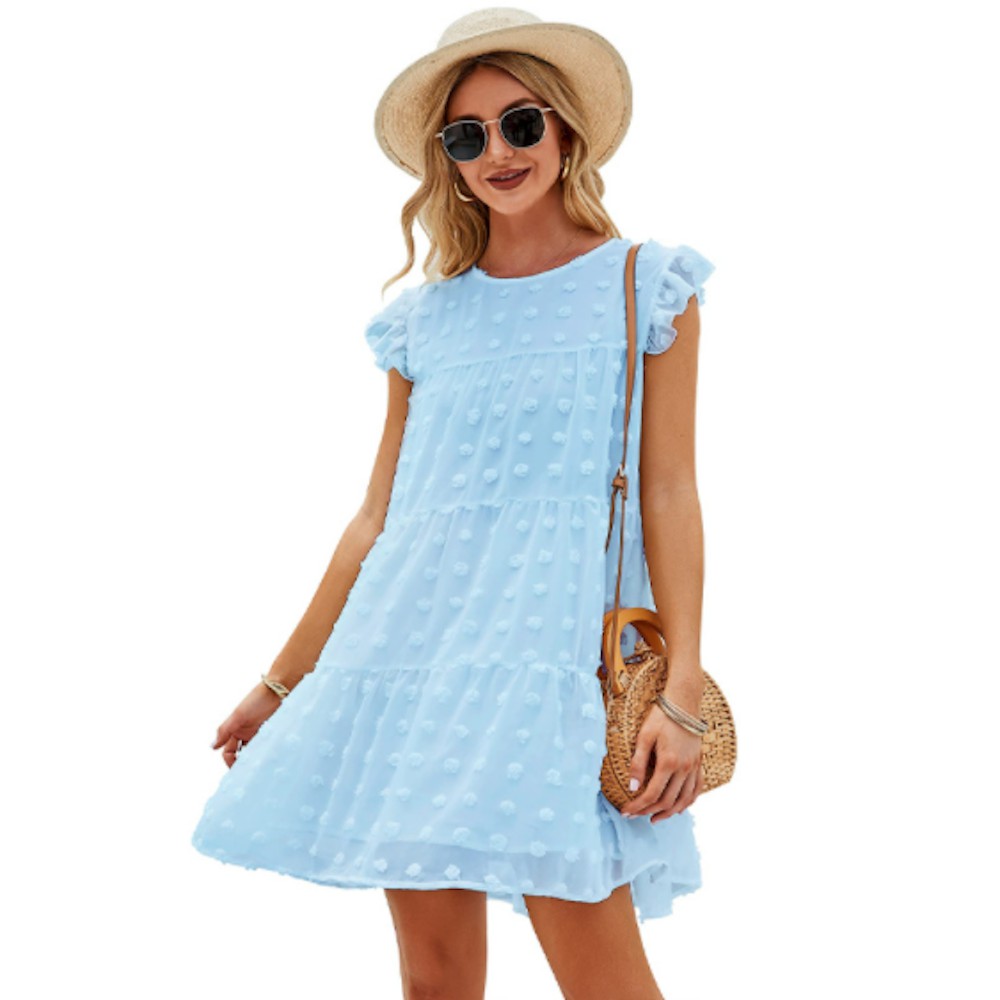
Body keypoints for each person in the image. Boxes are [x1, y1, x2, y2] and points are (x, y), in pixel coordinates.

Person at [191, 8, 716, 999]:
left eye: (520, 123)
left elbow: (668, 492)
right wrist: (281, 683)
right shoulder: (422, 322)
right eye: (467, 136)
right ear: (446, 159)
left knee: (606, 982)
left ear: (565, 129)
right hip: (410, 667)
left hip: (550, 671)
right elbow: (376, 521)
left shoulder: (646, 286)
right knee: (434, 982)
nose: (498, 153)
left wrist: (679, 691)